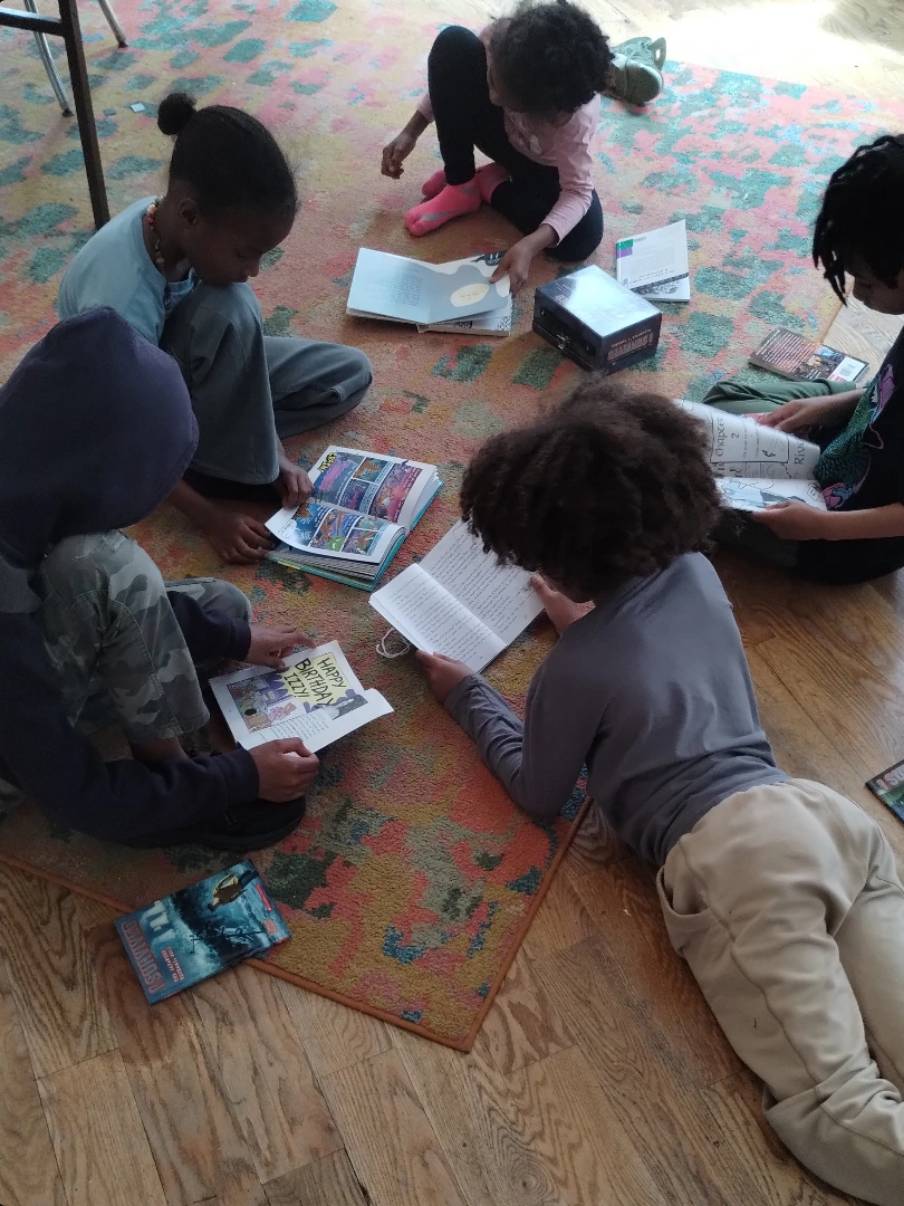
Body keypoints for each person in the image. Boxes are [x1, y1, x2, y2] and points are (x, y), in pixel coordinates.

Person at [417, 378, 904, 1206]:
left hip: (735, 864)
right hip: (822, 819)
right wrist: (581, 615)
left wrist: (466, 693)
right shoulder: (697, 571)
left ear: (552, 560)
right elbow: (638, 650)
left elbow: (540, 791)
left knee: (839, 1106)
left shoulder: (573, 672)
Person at [0, 308, 322, 850]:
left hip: (22, 658)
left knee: (222, 607)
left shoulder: (26, 462)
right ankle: (173, 781)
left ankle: (173, 756)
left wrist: (235, 639)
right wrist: (232, 780)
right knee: (103, 565)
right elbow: (78, 795)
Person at [58, 92, 373, 565]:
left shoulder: (167, 219)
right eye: (245, 253)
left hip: (180, 366)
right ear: (190, 216)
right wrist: (209, 516)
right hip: (124, 409)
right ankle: (205, 470)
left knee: (347, 374)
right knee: (232, 307)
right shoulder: (117, 309)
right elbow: (124, 434)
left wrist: (275, 457)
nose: (255, 269)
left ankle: (230, 456)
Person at [705, 134, 904, 584]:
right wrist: (823, 406)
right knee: (723, 404)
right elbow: (888, 392)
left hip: (846, 535)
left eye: (868, 283)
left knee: (684, 492)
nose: (857, 294)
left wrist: (821, 527)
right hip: (857, 432)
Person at [381, 1, 613, 292]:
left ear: (539, 107)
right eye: (491, 78)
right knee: (454, 43)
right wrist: (412, 130)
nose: (490, 96)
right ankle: (460, 184)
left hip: (542, 164)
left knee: (582, 237)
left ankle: (490, 185)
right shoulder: (503, 40)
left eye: (501, 92)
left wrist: (531, 244)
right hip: (500, 136)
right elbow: (453, 79)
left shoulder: (571, 119)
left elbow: (578, 192)